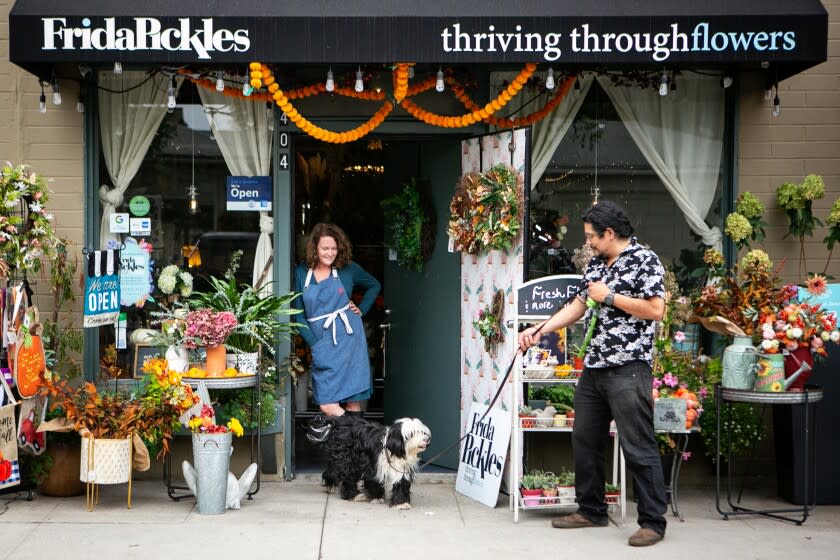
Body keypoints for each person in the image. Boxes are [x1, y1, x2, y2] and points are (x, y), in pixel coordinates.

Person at [518, 201, 668, 547]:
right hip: (595, 368)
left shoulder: (645, 261)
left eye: (591, 237)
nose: (588, 243)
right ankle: (591, 509)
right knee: (585, 439)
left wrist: (611, 296)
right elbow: (579, 305)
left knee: (637, 444)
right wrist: (540, 329)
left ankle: (652, 522)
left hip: (629, 368)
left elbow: (656, 310)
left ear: (609, 233)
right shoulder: (597, 264)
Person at [295, 223, 381, 417]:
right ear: (314, 248)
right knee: (327, 404)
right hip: (321, 343)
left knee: (352, 403)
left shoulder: (347, 269)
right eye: (325, 248)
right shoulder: (301, 273)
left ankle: (354, 446)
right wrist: (314, 343)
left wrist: (361, 309)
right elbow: (298, 314)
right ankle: (359, 434)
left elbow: (374, 285)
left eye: (334, 248)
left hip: (349, 339)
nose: (330, 253)